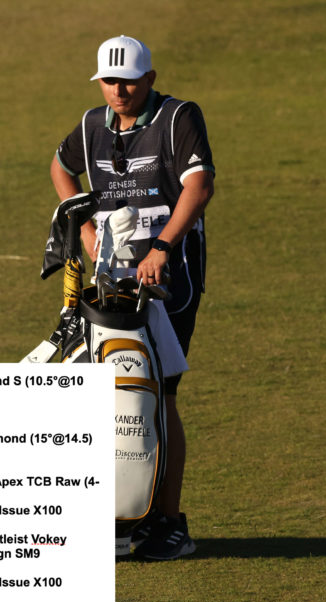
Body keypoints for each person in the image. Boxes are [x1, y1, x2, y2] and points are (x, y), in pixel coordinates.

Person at [51, 35, 215, 560]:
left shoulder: (177, 117)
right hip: (110, 279)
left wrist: (164, 246)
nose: (119, 90)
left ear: (149, 78)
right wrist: (81, 224)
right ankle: (124, 517)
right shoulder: (91, 125)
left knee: (160, 394)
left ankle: (169, 524)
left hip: (169, 280)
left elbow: (200, 185)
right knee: (112, 392)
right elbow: (60, 166)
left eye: (129, 80)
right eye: (109, 81)